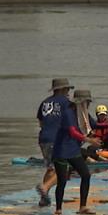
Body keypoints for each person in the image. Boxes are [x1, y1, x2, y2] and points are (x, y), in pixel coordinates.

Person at [52, 89, 100, 215]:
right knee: (62, 180)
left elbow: (95, 124)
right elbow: (73, 132)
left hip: (73, 150)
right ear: (81, 102)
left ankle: (83, 207)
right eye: (87, 102)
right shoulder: (68, 113)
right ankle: (58, 209)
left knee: (86, 174)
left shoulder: (83, 113)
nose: (89, 105)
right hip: (61, 151)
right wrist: (89, 140)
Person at [36, 78, 73, 207]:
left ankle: (43, 199)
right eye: (68, 89)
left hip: (43, 139)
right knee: (65, 169)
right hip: (57, 139)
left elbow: (41, 122)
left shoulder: (45, 102)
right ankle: (45, 187)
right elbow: (70, 123)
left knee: (51, 169)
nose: (69, 92)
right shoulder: (66, 103)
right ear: (63, 89)